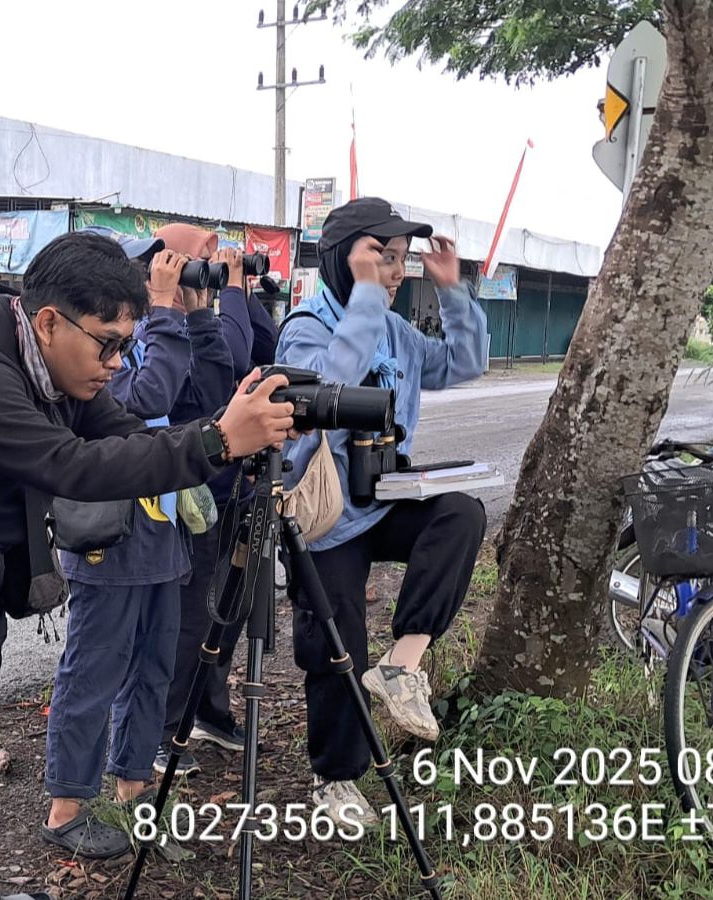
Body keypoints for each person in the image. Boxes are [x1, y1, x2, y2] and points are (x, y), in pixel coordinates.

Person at [0, 231, 296, 900]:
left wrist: (231, 434)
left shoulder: (53, 364)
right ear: (49, 322)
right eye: (107, 344)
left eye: (126, 345)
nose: (117, 363)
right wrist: (217, 440)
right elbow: (70, 466)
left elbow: (128, 437)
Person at [275, 197, 488, 827]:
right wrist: (366, 298)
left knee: (461, 514)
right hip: (325, 516)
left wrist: (452, 291)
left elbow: (463, 362)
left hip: (384, 499)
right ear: (345, 260)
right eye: (383, 258)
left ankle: (402, 664)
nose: (395, 273)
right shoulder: (306, 326)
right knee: (335, 639)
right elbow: (325, 391)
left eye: (400, 260)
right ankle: (336, 778)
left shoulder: (396, 331)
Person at [39, 236, 232, 860]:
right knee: (94, 671)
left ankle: (134, 788)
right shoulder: (102, 349)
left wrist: (199, 315)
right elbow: (145, 401)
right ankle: (66, 806)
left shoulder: (159, 332)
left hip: (164, 534)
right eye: (152, 267)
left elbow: (211, 395)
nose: (158, 277)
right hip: (109, 537)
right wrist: (165, 311)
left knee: (155, 669)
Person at [156, 229, 278, 776]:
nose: (212, 270)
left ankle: (208, 710)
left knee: (231, 610)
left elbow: (264, 349)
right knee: (190, 620)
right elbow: (232, 357)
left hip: (234, 489)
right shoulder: (168, 323)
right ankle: (165, 729)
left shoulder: (209, 314)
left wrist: (242, 289)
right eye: (202, 261)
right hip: (194, 494)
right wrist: (225, 289)